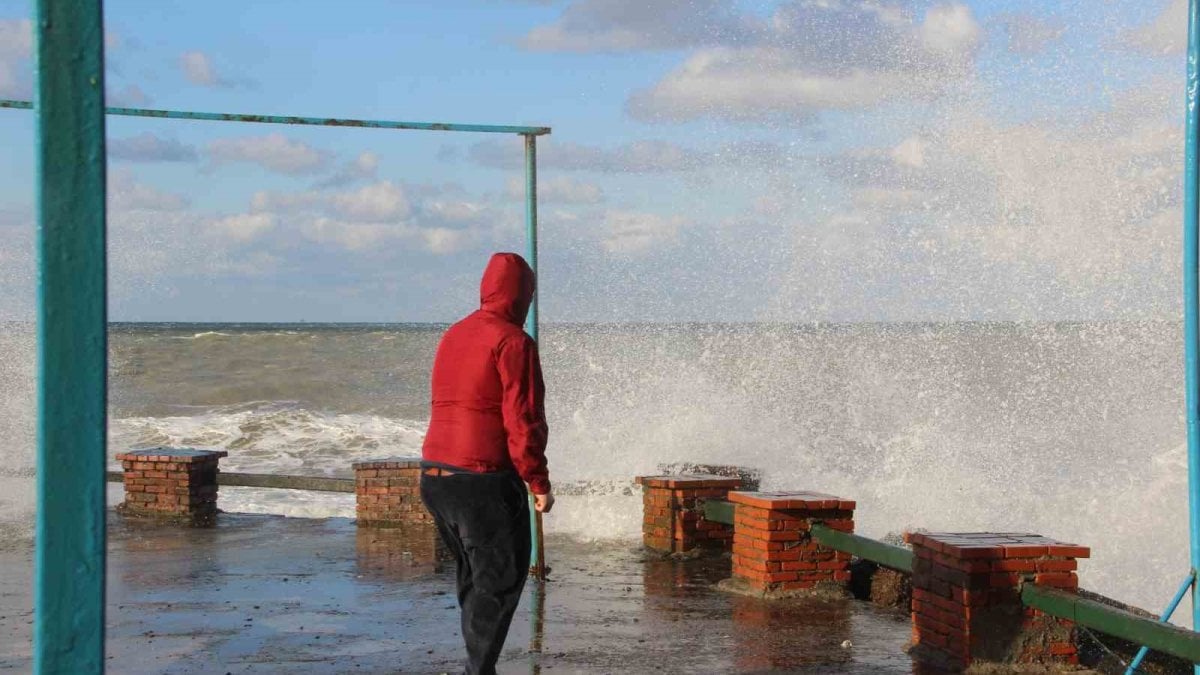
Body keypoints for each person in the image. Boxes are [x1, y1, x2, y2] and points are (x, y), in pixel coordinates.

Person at [420, 252, 553, 675]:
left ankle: (480, 666)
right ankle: (478, 670)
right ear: (522, 295)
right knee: (500, 579)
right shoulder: (513, 341)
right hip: (482, 479)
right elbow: (523, 420)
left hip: (435, 475)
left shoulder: (454, 334)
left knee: (474, 580)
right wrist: (538, 482)